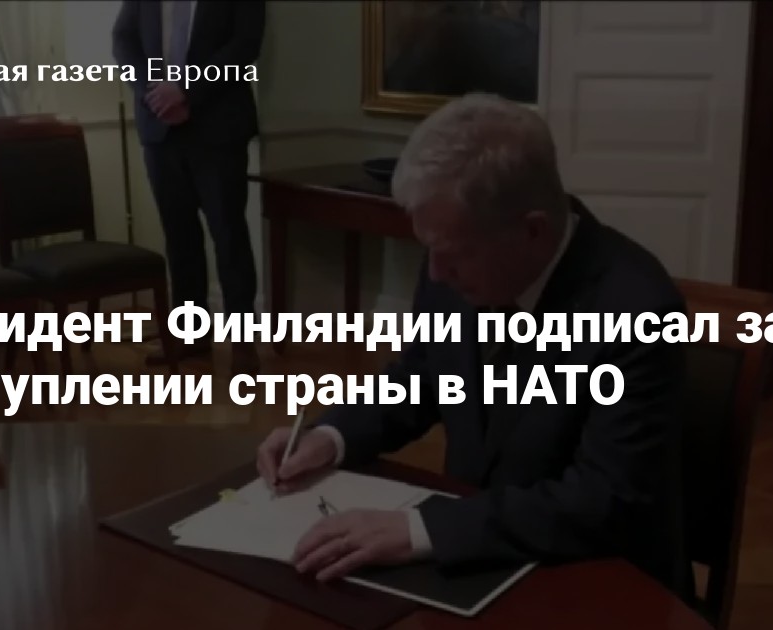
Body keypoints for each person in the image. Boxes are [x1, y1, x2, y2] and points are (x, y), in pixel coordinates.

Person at [256, 93, 693, 601]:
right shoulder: (455, 259)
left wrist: (421, 529)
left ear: (533, 231)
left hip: (600, 584)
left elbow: (603, 501)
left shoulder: (638, 309)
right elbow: (421, 374)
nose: (435, 273)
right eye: (429, 250)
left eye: (452, 254)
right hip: (477, 567)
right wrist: (331, 436)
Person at [112, 1, 264, 373]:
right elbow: (123, 39)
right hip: (160, 128)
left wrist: (185, 90)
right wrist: (154, 92)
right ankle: (191, 336)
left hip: (218, 127)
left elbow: (244, 46)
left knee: (228, 235)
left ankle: (243, 343)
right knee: (179, 237)